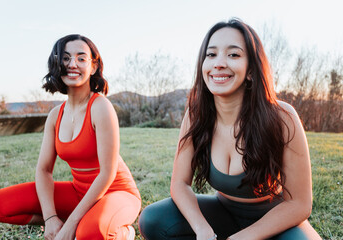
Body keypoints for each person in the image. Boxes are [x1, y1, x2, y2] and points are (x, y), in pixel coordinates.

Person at [138, 19, 321, 240]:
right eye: (211, 54)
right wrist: (202, 228)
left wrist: (241, 238)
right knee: (153, 219)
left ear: (251, 70)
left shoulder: (283, 117)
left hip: (274, 220)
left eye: (233, 55)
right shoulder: (196, 115)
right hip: (222, 213)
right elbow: (179, 184)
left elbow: (300, 204)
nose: (219, 63)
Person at [0, 34, 141, 240]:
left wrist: (71, 226)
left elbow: (107, 174)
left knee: (88, 235)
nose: (72, 64)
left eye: (81, 58)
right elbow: (43, 170)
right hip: (78, 193)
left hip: (116, 193)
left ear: (93, 67)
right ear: (57, 64)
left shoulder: (101, 107)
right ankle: (74, 221)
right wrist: (50, 218)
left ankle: (124, 232)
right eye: (65, 58)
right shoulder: (55, 116)